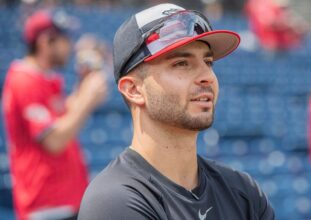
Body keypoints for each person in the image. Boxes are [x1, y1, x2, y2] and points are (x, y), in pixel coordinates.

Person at [78, 3, 274, 220]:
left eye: (208, 62)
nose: (207, 76)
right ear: (134, 90)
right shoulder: (114, 201)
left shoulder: (242, 190)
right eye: (181, 63)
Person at [1, 10, 107, 220]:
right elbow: (54, 140)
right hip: (46, 206)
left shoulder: (45, 78)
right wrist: (88, 98)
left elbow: (64, 118)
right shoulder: (24, 80)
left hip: (65, 200)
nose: (70, 46)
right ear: (45, 42)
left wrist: (85, 83)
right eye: (64, 39)